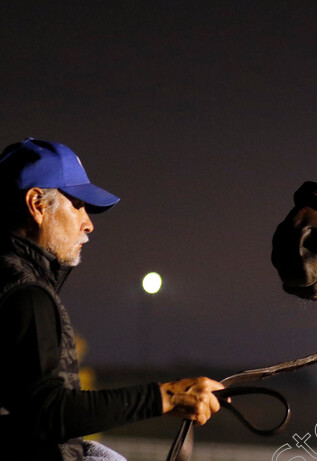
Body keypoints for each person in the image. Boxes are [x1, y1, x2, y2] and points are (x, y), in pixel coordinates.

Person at [0, 138, 224, 460]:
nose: (88, 223)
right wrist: (166, 397)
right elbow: (48, 413)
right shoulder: (26, 294)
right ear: (37, 204)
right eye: (78, 204)